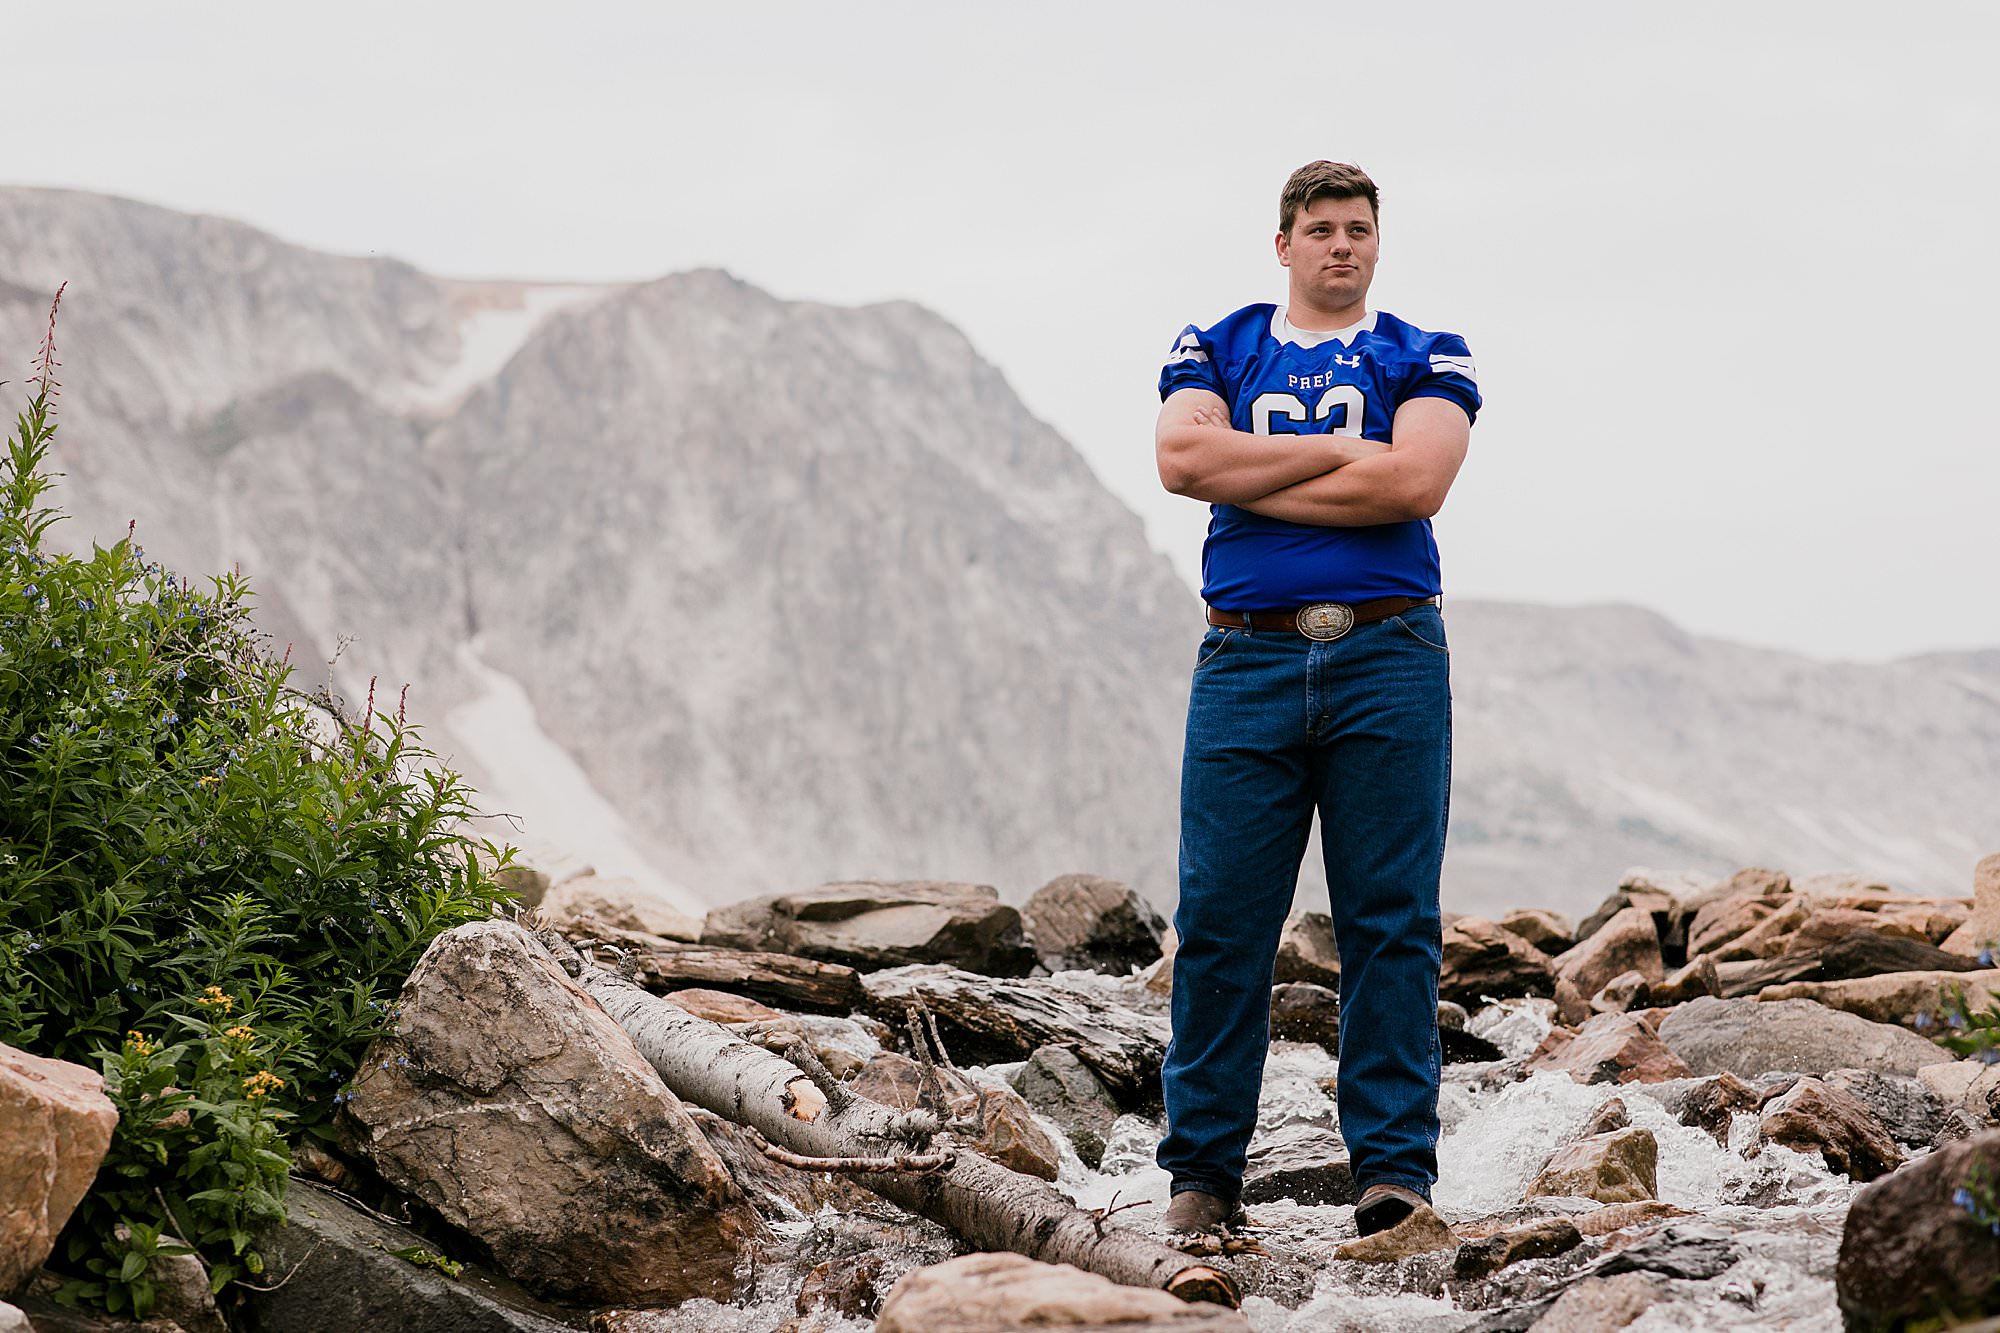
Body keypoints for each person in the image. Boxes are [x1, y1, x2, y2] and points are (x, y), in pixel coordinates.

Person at [1152, 160, 1480, 1238]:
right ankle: (1201, 1176)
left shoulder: (1426, 353)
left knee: (1389, 921)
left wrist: (1258, 468)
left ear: (1375, 244)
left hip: (1387, 658)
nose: (1340, 245)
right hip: (1244, 661)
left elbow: (1414, 484)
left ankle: (1391, 1176)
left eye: (1357, 229)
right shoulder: (1217, 343)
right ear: (1282, 242)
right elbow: (1180, 457)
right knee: (1218, 922)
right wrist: (1343, 448)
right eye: (1320, 229)